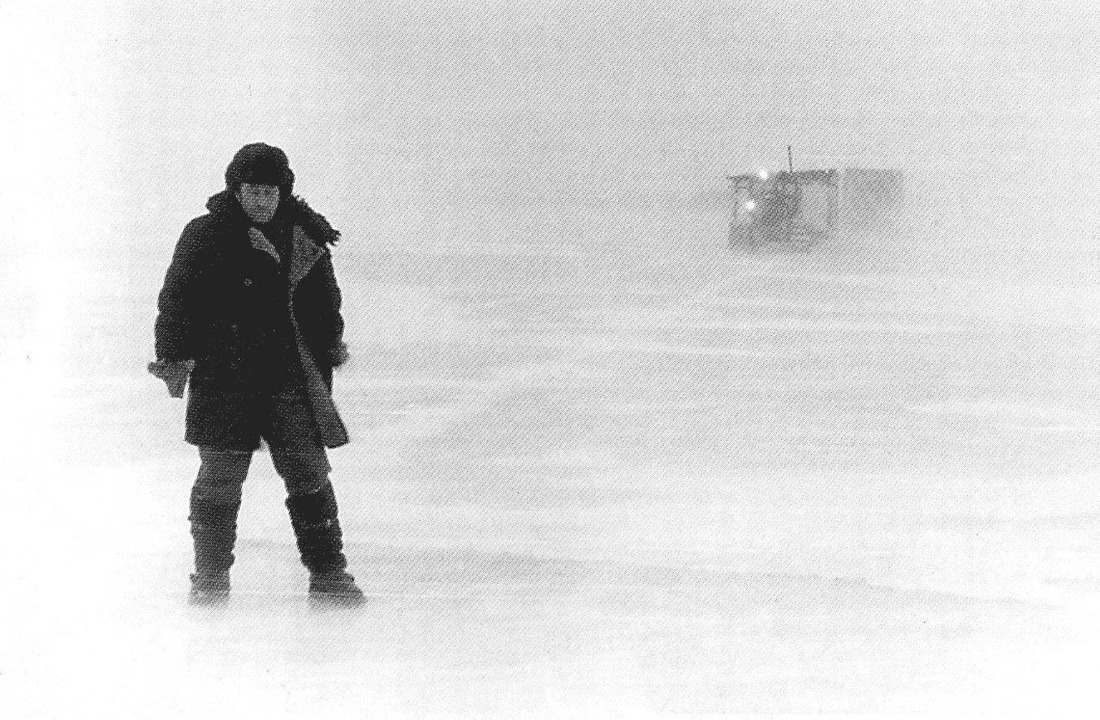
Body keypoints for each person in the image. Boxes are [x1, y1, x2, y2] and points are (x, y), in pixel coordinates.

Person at [149, 142, 364, 604]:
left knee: (308, 472)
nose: (261, 200)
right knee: (220, 476)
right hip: (224, 379)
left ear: (283, 192)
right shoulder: (206, 235)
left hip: (287, 379)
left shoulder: (304, 237)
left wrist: (328, 345)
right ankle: (209, 579)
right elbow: (177, 300)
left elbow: (326, 302)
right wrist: (173, 354)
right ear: (236, 190)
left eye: (269, 191)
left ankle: (329, 574)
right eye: (252, 191)